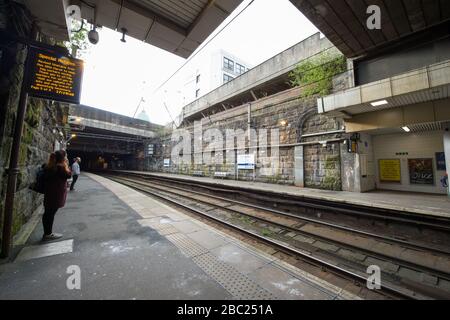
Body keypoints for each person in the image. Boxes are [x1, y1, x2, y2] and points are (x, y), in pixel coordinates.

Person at [42, 150, 72, 241]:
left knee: (47, 213)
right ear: (63, 158)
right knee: (50, 214)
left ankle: (47, 232)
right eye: (65, 156)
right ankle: (48, 234)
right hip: (56, 194)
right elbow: (69, 174)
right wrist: (66, 164)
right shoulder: (61, 168)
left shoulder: (48, 166)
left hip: (49, 193)